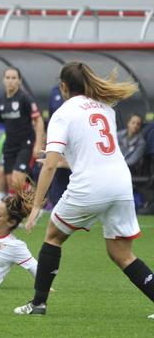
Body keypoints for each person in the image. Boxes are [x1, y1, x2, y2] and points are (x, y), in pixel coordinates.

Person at [14, 62, 154, 319]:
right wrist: (62, 160)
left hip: (91, 185)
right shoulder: (106, 108)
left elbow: (50, 166)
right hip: (121, 182)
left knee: (53, 236)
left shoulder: (63, 113)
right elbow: (94, 153)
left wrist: (36, 207)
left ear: (63, 87)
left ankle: (38, 304)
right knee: (121, 253)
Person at [0, 67, 45, 192]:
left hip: (25, 143)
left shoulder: (25, 98)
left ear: (19, 81)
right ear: (3, 80)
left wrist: (37, 144)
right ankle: (30, 199)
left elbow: (39, 120)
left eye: (14, 78)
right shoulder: (0, 100)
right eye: (8, 78)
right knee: (11, 182)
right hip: (10, 144)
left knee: (17, 179)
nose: (10, 81)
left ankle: (36, 203)